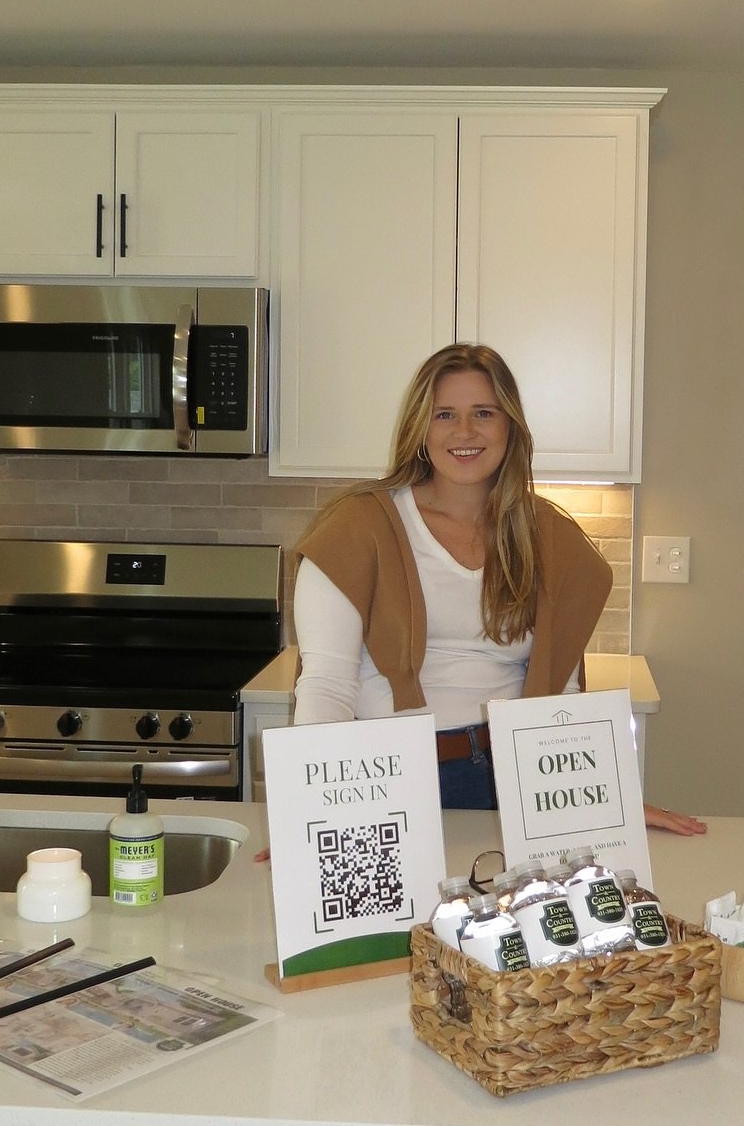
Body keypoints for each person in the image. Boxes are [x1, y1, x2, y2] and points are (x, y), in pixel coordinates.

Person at [291, 343, 705, 834]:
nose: (464, 432)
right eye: (444, 414)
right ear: (420, 428)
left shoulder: (550, 540)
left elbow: (561, 696)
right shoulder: (358, 527)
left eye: (483, 413)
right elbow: (327, 686)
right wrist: (310, 814)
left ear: (510, 426)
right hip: (384, 779)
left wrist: (606, 801)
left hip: (518, 781)